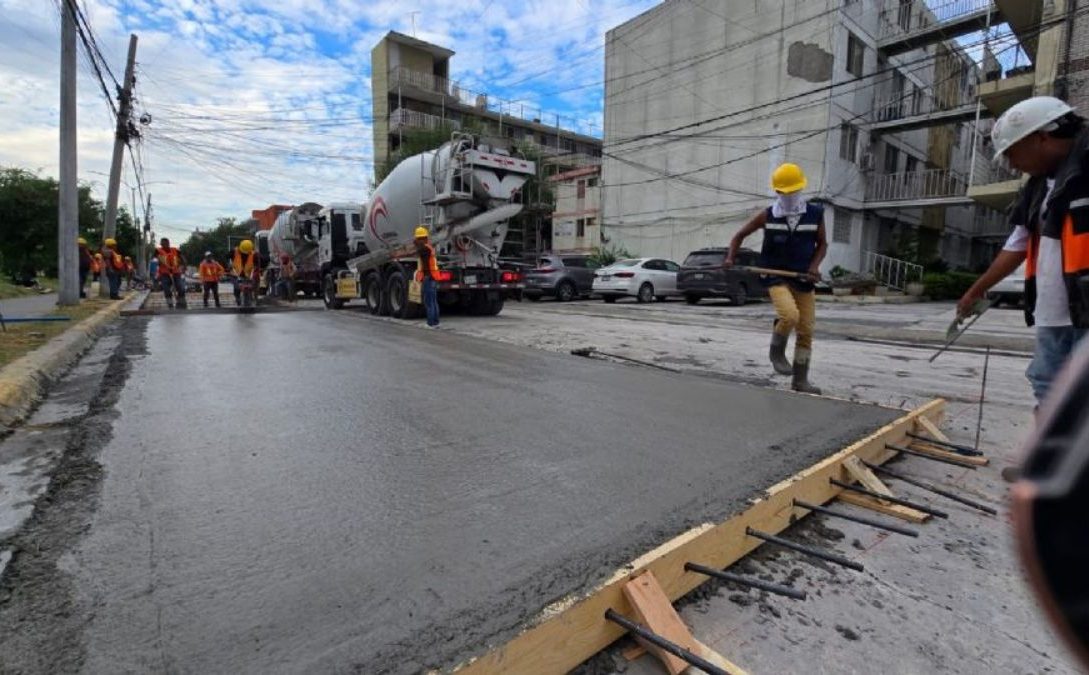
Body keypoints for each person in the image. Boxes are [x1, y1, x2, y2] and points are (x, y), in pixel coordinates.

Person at [958, 96, 1089, 409]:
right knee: (1047, 387)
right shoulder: (1037, 188)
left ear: (1041, 136)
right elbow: (1016, 245)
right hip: (1054, 312)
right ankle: (1051, 457)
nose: (1012, 164)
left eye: (1012, 153)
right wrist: (975, 292)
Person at [726, 162, 828, 394]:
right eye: (783, 192)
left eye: (793, 191)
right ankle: (776, 350)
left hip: (803, 277)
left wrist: (814, 266)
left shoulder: (815, 214)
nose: (789, 195)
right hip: (774, 275)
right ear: (777, 191)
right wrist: (730, 257)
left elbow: (822, 243)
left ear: (800, 189)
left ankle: (800, 381)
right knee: (789, 315)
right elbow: (739, 236)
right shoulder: (768, 215)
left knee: (806, 329)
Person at [414, 226, 441, 328]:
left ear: (420, 239)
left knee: (429, 302)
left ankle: (430, 323)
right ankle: (436, 322)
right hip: (433, 277)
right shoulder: (429, 247)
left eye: (417, 238)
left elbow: (417, 254)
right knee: (433, 301)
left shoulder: (424, 249)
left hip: (428, 278)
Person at [156, 237, 187, 309]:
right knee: (166, 289)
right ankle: (170, 304)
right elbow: (155, 259)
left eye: (163, 244)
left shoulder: (175, 250)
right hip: (165, 274)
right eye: (161, 244)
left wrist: (184, 266)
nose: (162, 246)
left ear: (168, 243)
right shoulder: (158, 251)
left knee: (181, 288)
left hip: (176, 273)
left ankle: (181, 303)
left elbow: (182, 258)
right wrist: (158, 261)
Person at [232, 240, 260, 306]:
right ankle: (238, 299)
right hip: (237, 274)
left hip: (249, 275)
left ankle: (252, 300)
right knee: (237, 289)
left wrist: (254, 275)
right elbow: (230, 261)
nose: (245, 253)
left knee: (251, 288)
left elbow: (257, 266)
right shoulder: (234, 252)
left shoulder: (254, 254)